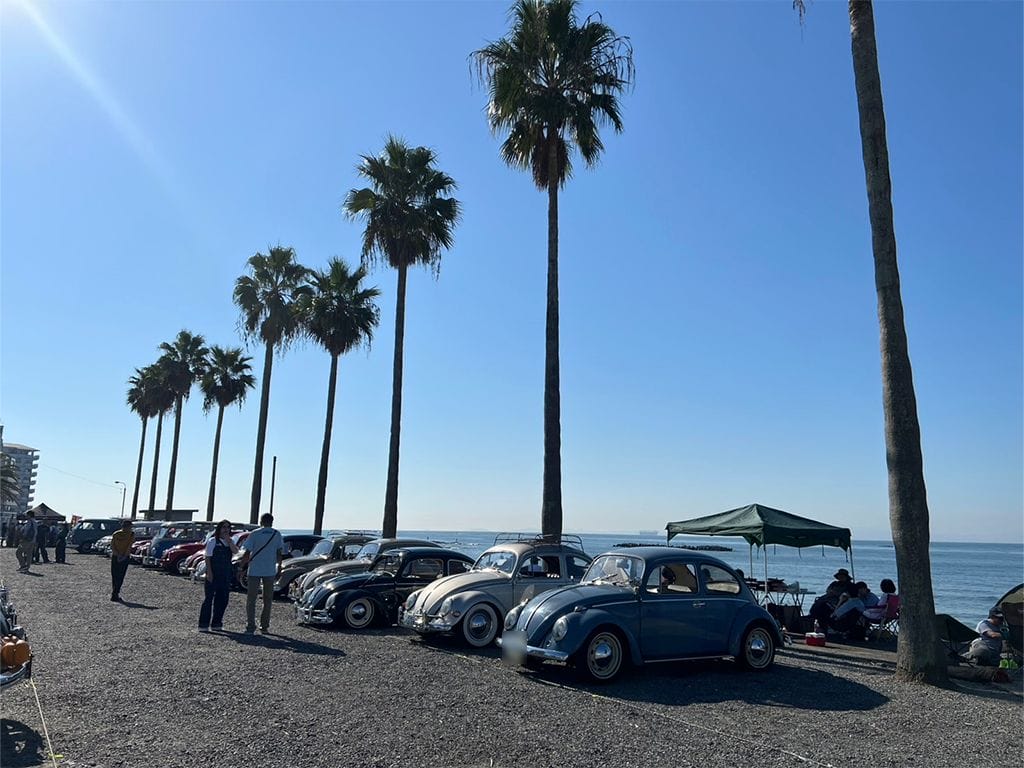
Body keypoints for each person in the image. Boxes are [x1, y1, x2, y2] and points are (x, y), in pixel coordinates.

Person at [240, 513, 287, 634]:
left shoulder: (255, 533)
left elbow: (247, 552)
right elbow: (279, 553)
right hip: (269, 570)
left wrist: (241, 567)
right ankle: (264, 626)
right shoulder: (277, 534)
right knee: (267, 599)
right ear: (272, 521)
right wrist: (279, 568)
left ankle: (250, 626)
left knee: (251, 599)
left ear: (261, 521)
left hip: (254, 570)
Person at [198, 519, 239, 632]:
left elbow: (236, 551)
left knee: (223, 599)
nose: (226, 529)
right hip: (214, 572)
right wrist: (209, 573)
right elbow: (208, 558)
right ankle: (203, 624)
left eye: (228, 527)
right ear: (219, 529)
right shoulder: (213, 541)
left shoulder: (230, 541)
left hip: (225, 574)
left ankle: (216, 623)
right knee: (208, 599)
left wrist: (229, 541)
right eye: (224, 527)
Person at [109, 519, 135, 602]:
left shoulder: (116, 534)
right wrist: (124, 556)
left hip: (115, 556)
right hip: (124, 557)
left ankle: (114, 593)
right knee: (120, 576)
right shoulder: (131, 534)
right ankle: (115, 593)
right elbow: (129, 546)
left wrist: (117, 554)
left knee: (115, 575)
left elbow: (112, 546)